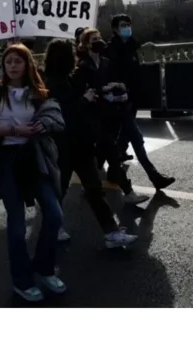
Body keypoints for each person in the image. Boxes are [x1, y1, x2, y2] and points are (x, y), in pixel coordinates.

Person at [0, 43, 65, 302]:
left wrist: (41, 127)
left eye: (18, 61)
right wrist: (15, 131)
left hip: (33, 157)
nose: (13, 65)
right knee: (16, 225)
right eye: (8, 61)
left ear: (27, 64)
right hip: (6, 159)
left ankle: (45, 267)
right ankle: (22, 280)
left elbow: (50, 119)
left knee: (54, 214)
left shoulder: (37, 92)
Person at [42, 39, 138, 249]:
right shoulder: (53, 84)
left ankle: (111, 232)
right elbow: (65, 116)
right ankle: (54, 225)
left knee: (93, 189)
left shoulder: (66, 80)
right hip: (65, 146)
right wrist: (84, 100)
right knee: (61, 189)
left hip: (80, 145)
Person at [74, 29, 149, 205]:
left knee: (101, 151)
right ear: (85, 44)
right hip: (92, 116)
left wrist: (117, 91)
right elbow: (85, 90)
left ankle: (90, 184)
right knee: (111, 151)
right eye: (94, 39)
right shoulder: (83, 66)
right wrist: (102, 91)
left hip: (108, 113)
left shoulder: (106, 62)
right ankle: (128, 192)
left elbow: (111, 83)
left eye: (99, 38)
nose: (99, 41)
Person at [106, 15, 175, 190]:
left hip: (132, 97)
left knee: (123, 138)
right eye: (123, 25)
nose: (127, 28)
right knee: (135, 138)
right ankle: (154, 176)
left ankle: (112, 172)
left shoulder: (131, 44)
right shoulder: (112, 49)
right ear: (115, 29)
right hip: (121, 101)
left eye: (129, 24)